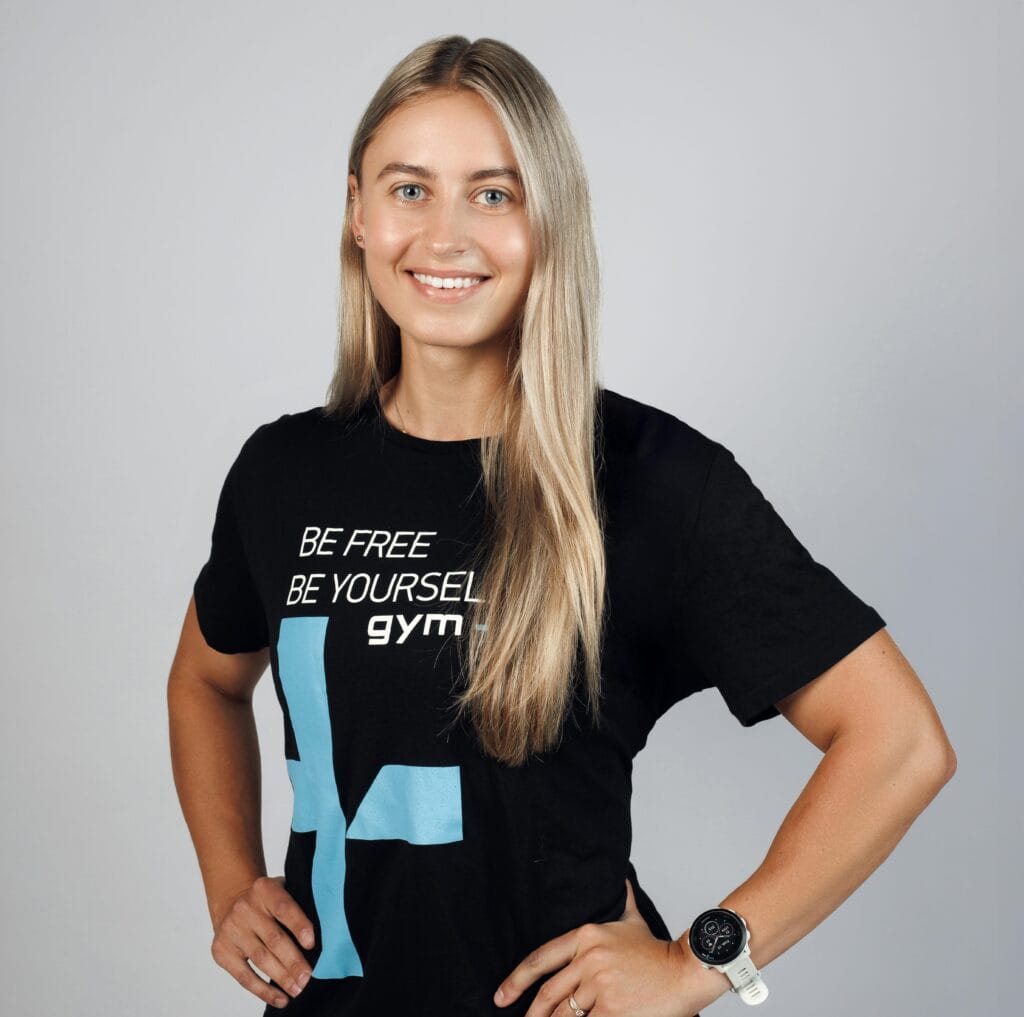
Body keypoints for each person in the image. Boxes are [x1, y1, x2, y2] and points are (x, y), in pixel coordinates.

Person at [167, 34, 957, 1017]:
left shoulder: (652, 478)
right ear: (358, 213)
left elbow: (898, 742)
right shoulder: (282, 473)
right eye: (410, 189)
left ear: (549, 221)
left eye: (493, 194)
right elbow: (206, 680)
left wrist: (701, 962)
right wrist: (229, 882)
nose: (445, 235)